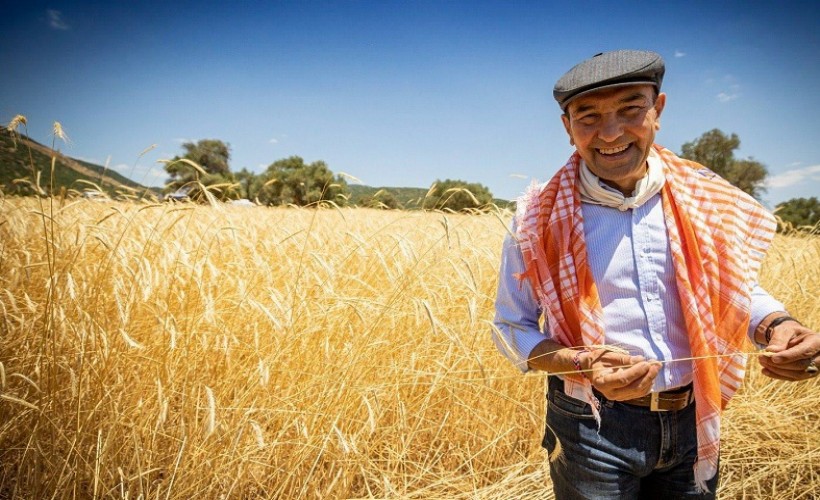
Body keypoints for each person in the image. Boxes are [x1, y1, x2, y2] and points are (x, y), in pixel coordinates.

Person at [492, 49, 820, 499]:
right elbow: (513, 327)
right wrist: (582, 364)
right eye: (588, 117)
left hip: (691, 414)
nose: (610, 133)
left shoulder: (703, 198)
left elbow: (729, 286)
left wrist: (778, 327)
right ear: (568, 128)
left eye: (630, 109)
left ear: (658, 111)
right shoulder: (536, 218)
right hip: (591, 425)